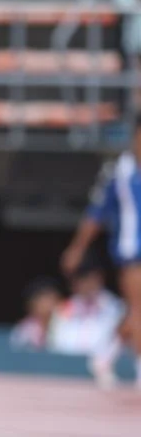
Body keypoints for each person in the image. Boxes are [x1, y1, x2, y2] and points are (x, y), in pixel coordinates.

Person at [62, 127, 141, 388]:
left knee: (135, 311)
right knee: (139, 309)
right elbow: (96, 214)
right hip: (132, 250)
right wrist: (77, 248)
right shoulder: (117, 172)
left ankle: (105, 355)